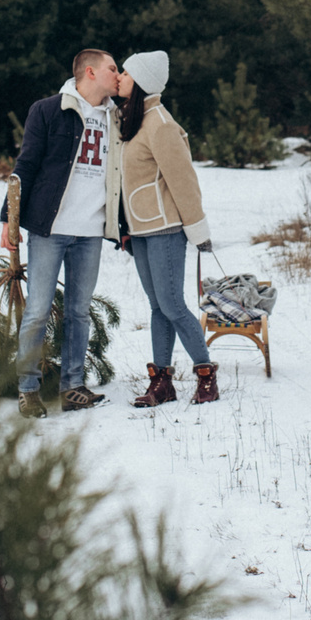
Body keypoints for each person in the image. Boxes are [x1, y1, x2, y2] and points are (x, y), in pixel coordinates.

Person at [7, 47, 123, 415]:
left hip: (91, 232)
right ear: (89, 72)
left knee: (78, 311)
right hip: (50, 229)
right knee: (38, 310)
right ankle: (28, 388)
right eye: (112, 69)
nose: (117, 75)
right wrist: (7, 221)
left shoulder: (115, 117)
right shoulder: (48, 110)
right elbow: (25, 164)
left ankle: (73, 386)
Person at [112, 49, 221, 407]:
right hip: (141, 230)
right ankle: (162, 382)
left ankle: (205, 375)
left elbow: (183, 180)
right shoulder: (133, 119)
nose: (120, 78)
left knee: (173, 305)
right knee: (158, 306)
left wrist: (198, 229)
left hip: (166, 228)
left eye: (125, 73)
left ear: (141, 81)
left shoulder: (160, 123)